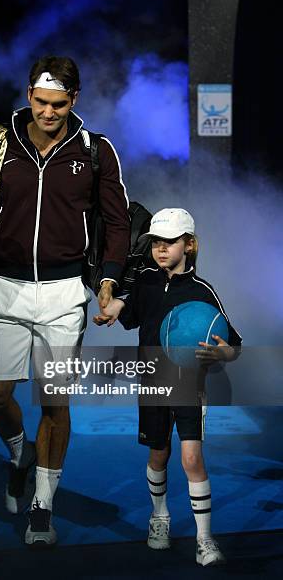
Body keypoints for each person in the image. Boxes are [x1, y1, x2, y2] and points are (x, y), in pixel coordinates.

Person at [0, 56, 130, 546]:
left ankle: (43, 506)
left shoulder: (95, 150)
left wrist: (109, 281)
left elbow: (118, 219)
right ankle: (19, 450)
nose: (48, 112)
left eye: (59, 103)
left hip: (65, 295)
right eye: (41, 102)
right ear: (28, 94)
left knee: (53, 400)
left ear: (74, 100)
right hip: (3, 287)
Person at [93, 208, 242, 566]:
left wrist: (220, 353)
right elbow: (125, 312)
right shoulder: (144, 282)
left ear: (189, 245)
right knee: (158, 455)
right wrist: (112, 308)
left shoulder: (203, 292)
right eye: (156, 242)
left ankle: (204, 539)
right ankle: (159, 517)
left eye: (169, 242)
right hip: (153, 382)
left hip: (190, 384)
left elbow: (232, 345)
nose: (161, 249)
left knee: (192, 459)